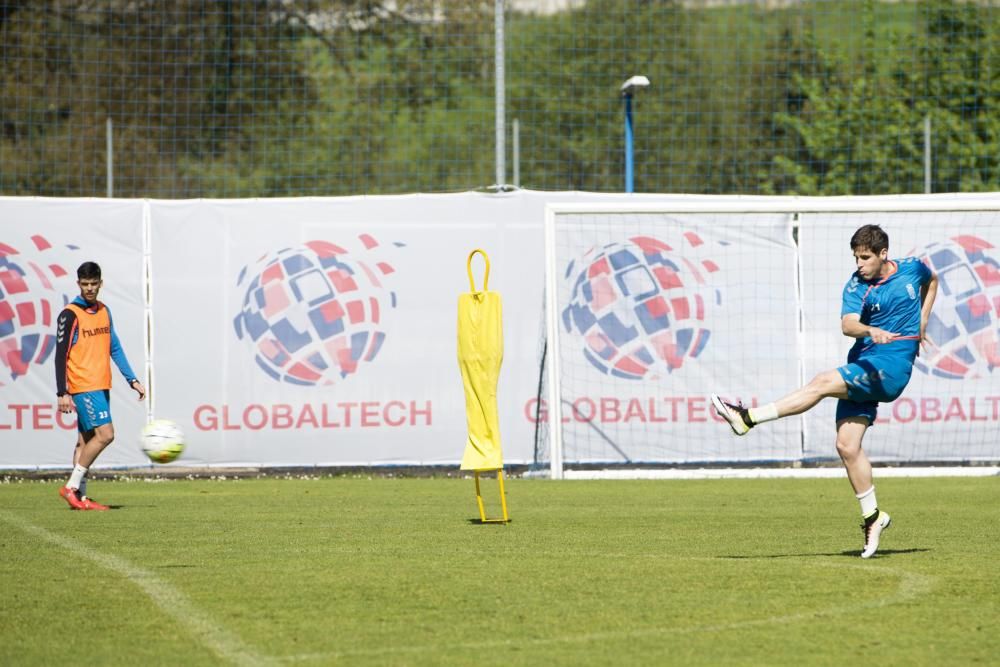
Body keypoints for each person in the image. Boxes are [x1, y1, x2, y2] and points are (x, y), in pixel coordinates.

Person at [711, 224, 938, 558]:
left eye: (865, 257)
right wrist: (870, 330)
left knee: (819, 383)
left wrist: (922, 322)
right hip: (865, 360)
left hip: (889, 370)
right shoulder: (857, 284)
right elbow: (847, 325)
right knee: (847, 447)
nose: (859, 263)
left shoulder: (911, 269)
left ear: (883, 254)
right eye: (856, 257)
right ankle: (874, 518)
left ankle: (749, 418)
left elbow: (932, 281)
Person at [54, 261, 146, 510]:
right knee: (106, 435)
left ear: (100, 283)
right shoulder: (70, 313)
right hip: (83, 385)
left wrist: (132, 379)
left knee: (84, 442)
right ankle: (71, 487)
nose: (90, 288)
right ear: (78, 284)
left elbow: (114, 347)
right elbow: (60, 354)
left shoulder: (104, 311)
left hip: (101, 384)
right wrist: (62, 392)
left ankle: (80, 498)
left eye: (94, 284)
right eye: (85, 284)